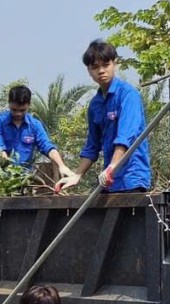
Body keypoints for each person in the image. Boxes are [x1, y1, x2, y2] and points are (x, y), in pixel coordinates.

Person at [56, 40, 151, 194]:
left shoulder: (128, 95)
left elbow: (126, 136)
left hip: (131, 179)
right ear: (88, 70)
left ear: (115, 64)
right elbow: (92, 146)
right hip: (109, 182)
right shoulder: (95, 104)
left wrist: (112, 167)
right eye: (95, 67)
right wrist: (77, 175)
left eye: (105, 65)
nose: (101, 71)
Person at [0, 85, 75, 179]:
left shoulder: (35, 125)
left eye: (22, 110)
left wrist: (61, 166)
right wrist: (8, 169)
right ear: (9, 104)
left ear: (29, 105)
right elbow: (0, 150)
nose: (18, 113)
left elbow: (47, 146)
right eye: (14, 110)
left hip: (24, 178)